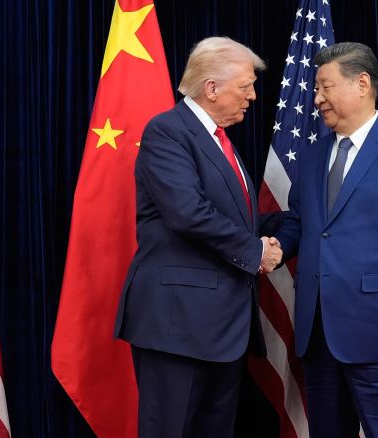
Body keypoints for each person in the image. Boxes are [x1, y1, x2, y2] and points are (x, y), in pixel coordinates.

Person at [272, 42, 378, 437]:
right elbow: (301, 222)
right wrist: (275, 248)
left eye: (325, 87)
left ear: (362, 83)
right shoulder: (312, 156)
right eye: (315, 89)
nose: (317, 99)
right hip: (317, 332)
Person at [113, 36, 282, 438]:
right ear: (211, 88)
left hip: (223, 327)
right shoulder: (168, 131)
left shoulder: (219, 140)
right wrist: (254, 250)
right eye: (245, 86)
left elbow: (236, 219)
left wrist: (289, 229)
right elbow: (187, 213)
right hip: (178, 325)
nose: (253, 96)